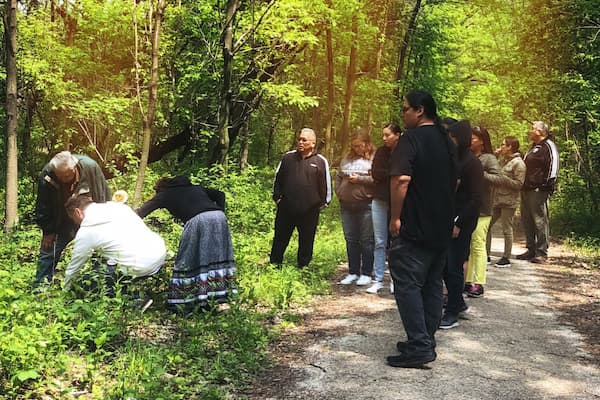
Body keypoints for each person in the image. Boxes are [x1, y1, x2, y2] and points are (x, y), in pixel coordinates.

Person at [386, 91, 456, 368]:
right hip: (440, 227)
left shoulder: (411, 139)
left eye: (405, 110)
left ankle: (419, 345)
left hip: (415, 225)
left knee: (407, 283)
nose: (402, 115)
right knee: (431, 284)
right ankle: (425, 338)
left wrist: (395, 218)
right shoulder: (446, 141)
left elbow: (401, 180)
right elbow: (455, 182)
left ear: (419, 110)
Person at [137, 176, 236, 311]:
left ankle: (184, 300)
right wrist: (219, 211)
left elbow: (142, 211)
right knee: (217, 256)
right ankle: (218, 296)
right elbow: (220, 194)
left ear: (160, 188)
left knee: (189, 257)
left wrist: (127, 218)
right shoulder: (195, 188)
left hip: (197, 220)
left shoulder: (165, 194)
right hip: (219, 217)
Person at [34, 151, 111, 286]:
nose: (63, 179)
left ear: (74, 167)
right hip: (61, 220)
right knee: (48, 250)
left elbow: (102, 195)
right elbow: (43, 204)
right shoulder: (47, 175)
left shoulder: (90, 168)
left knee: (100, 252)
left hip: (88, 218)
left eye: (67, 175)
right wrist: (48, 231)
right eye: (60, 176)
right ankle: (40, 287)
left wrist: (102, 223)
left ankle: (97, 286)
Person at [63, 195, 166, 291]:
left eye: (74, 219)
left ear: (78, 212)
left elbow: (75, 267)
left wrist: (65, 290)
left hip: (140, 266)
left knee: (88, 281)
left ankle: (134, 299)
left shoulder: (86, 232)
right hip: (159, 253)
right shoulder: (120, 207)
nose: (76, 223)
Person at [440, 120, 483, 329]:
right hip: (448, 218)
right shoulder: (452, 158)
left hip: (462, 221)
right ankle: (457, 301)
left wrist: (458, 222)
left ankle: (452, 311)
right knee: (444, 265)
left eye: (453, 137)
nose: (450, 140)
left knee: (453, 265)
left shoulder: (472, 163)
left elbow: (475, 199)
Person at [270, 128, 332, 268]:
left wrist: (322, 203)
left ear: (312, 143)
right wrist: (278, 198)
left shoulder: (320, 161)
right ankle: (275, 265)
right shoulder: (288, 158)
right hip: (286, 208)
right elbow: (277, 179)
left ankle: (303, 267)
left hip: (309, 211)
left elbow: (326, 185)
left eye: (304, 140)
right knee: (280, 238)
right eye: (299, 139)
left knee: (306, 240)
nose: (300, 142)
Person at [464, 126, 501, 298]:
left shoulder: (489, 158)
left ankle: (478, 283)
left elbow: (499, 179)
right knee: (467, 246)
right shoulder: (467, 155)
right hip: (466, 206)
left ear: (482, 140)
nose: (470, 140)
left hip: (483, 208)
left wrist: (480, 174)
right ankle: (467, 280)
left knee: (478, 244)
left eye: (474, 138)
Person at [336, 129, 376, 287]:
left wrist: (359, 179)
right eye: (354, 146)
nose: (356, 149)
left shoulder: (374, 158)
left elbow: (378, 179)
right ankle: (353, 271)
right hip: (346, 204)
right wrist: (339, 191)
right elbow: (338, 176)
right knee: (351, 239)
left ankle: (367, 272)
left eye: (359, 146)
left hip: (366, 204)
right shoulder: (346, 158)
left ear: (366, 144)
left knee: (366, 240)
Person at [517, 121, 559, 263]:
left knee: (540, 220)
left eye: (532, 129)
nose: (530, 131)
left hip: (539, 189)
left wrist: (547, 184)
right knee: (527, 219)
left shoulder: (549, 145)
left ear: (541, 131)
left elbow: (553, 165)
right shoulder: (534, 147)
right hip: (526, 188)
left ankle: (542, 252)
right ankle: (531, 249)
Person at [366, 124, 402, 294]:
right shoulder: (381, 152)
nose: (384, 138)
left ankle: (396, 279)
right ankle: (378, 279)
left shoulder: (405, 151)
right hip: (379, 200)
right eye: (383, 135)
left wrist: (390, 175)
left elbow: (404, 175)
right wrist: (393, 174)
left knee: (397, 241)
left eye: (387, 135)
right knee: (380, 241)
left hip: (400, 202)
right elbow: (376, 173)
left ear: (397, 135)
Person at [485, 136, 526, 268]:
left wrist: (503, 179)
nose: (501, 147)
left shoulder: (519, 163)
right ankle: (485, 254)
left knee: (506, 229)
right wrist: (494, 156)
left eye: (503, 145)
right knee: (487, 225)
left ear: (510, 147)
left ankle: (506, 257)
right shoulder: (503, 160)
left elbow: (519, 184)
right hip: (496, 198)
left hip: (509, 200)